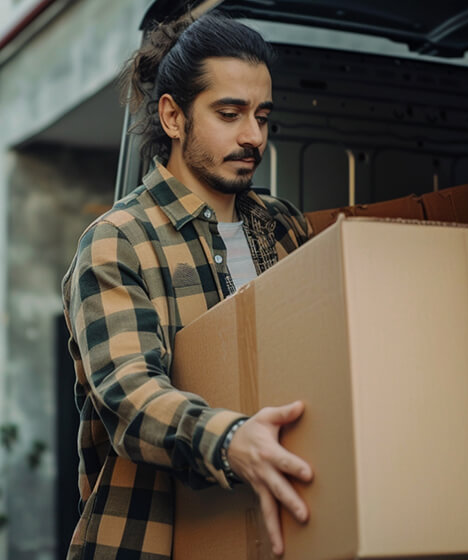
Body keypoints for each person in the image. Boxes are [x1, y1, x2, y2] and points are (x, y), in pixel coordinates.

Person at [62, 12, 313, 560]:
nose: (253, 136)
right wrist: (229, 441)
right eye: (230, 114)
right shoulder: (117, 242)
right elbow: (129, 396)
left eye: (263, 116)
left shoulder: (284, 225)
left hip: (280, 534)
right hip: (152, 543)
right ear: (173, 117)